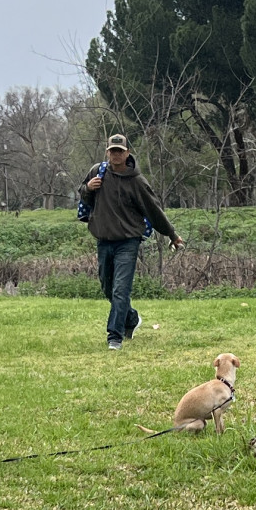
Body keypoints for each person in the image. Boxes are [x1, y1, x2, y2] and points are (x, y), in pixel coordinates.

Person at [81, 136, 181, 350]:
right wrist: (88, 188)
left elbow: (154, 211)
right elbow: (84, 197)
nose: (116, 154)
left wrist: (171, 234)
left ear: (127, 153)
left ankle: (114, 337)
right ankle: (132, 318)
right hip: (103, 240)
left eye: (120, 151)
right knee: (107, 287)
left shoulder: (137, 181)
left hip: (128, 242)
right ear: (107, 152)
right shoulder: (97, 172)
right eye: (112, 151)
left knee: (120, 289)